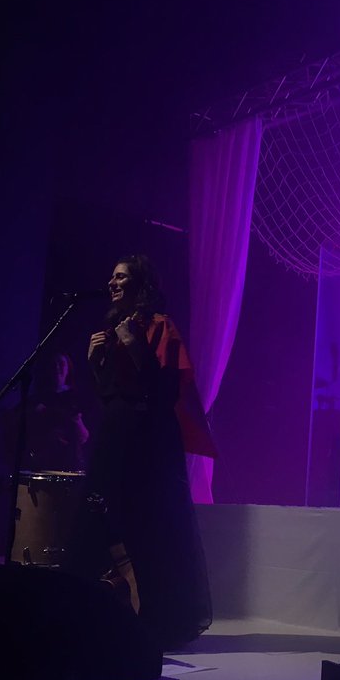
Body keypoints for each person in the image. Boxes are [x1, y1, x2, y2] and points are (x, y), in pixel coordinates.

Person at [74, 254, 215, 649]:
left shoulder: (160, 326)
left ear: (140, 284)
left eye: (120, 277)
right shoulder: (112, 330)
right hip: (116, 435)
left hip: (149, 441)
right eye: (112, 277)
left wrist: (135, 346)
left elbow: (163, 393)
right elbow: (111, 396)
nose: (112, 283)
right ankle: (86, 612)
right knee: (100, 517)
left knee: (149, 526)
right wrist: (95, 364)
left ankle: (156, 619)